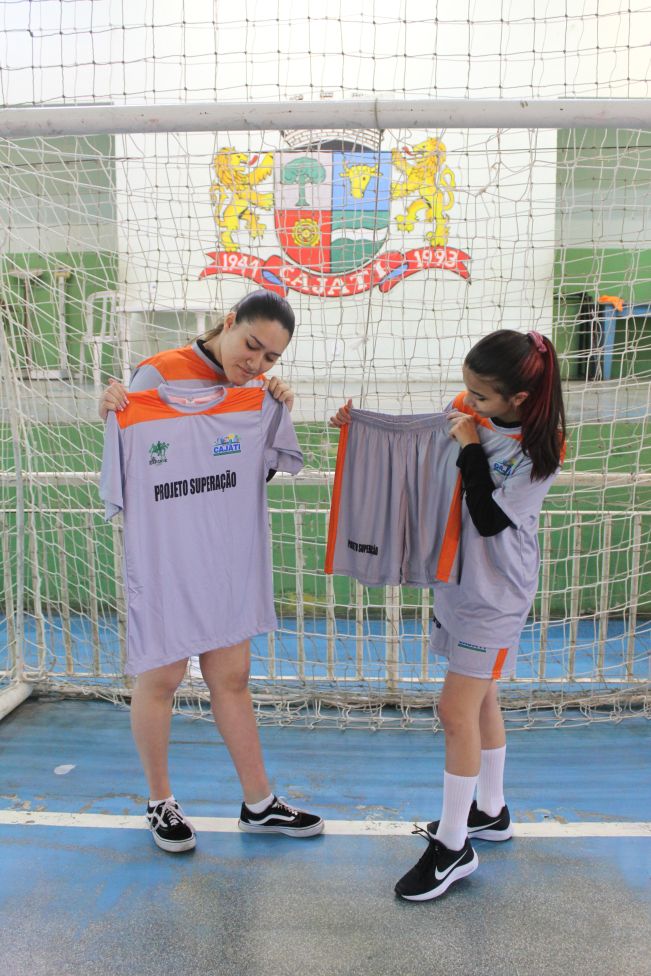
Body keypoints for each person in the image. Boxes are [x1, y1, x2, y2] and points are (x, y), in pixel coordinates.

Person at [331, 329, 565, 900]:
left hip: (495, 594)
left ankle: (454, 847)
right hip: (457, 580)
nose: (469, 402)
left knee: (453, 710)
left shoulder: (542, 450)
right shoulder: (471, 411)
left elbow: (488, 517)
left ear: (519, 399)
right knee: (482, 700)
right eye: (468, 391)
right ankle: (491, 810)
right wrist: (357, 430)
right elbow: (416, 441)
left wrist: (468, 445)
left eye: (481, 396)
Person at [100, 289, 324, 852]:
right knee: (161, 679)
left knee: (232, 678)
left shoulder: (256, 395)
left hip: (225, 562)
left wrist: (274, 409)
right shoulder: (155, 376)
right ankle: (159, 801)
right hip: (168, 562)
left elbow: (253, 475)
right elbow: (130, 466)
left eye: (270, 357)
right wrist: (112, 409)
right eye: (251, 345)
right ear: (228, 323)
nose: (255, 362)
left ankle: (259, 803)